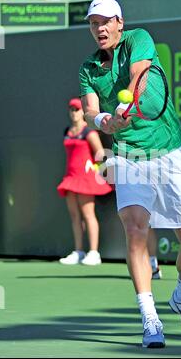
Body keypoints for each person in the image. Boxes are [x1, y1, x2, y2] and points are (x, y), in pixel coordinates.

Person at [80, 0, 181, 348]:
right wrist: (105, 119)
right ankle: (149, 318)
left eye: (106, 21)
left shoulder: (140, 39)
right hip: (127, 156)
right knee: (135, 230)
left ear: (120, 22)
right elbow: (91, 110)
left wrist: (127, 103)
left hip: (168, 150)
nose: (100, 29)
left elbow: (139, 74)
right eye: (93, 23)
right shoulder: (89, 68)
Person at [57, 97, 113, 266]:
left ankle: (94, 253)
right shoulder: (68, 131)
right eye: (71, 109)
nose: (74, 113)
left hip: (85, 178)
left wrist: (95, 166)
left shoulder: (89, 132)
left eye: (77, 109)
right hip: (70, 177)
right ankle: (79, 251)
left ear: (83, 112)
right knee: (75, 216)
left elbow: (101, 154)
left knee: (88, 215)